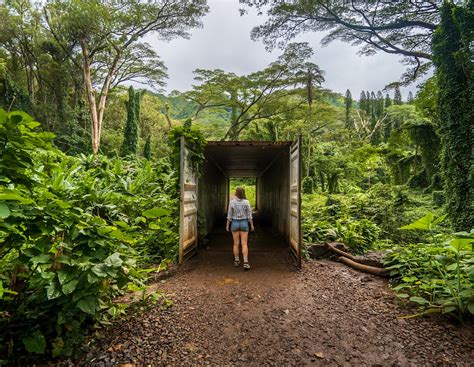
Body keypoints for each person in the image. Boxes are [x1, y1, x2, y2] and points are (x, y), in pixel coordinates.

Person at [226, 187, 254, 270]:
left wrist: (227, 225)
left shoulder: (232, 202)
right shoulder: (246, 202)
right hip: (244, 223)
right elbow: (249, 216)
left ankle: (237, 261)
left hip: (234, 223)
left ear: (236, 193)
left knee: (235, 244)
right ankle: (245, 262)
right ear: (243, 193)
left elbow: (229, 215)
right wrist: (251, 225)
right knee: (244, 244)